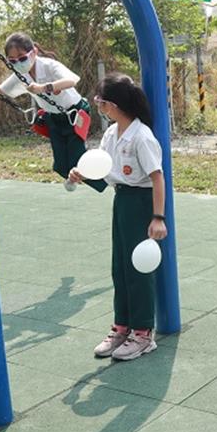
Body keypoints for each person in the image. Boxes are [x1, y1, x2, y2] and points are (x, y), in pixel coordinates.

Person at [68, 73, 167, 361]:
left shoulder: (142, 136)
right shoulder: (112, 133)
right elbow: (103, 169)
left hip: (141, 202)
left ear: (112, 105)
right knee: (120, 267)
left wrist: (158, 217)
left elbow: (157, 178)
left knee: (139, 269)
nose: (98, 106)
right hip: (121, 200)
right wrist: (81, 174)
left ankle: (143, 333)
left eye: (100, 101)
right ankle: (121, 327)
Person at [0, 32, 100, 190]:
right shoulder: (20, 74)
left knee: (77, 161)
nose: (18, 63)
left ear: (34, 52)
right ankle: (78, 176)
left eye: (22, 58)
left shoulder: (49, 66)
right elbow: (0, 90)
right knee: (60, 166)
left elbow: (72, 80)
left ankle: (107, 177)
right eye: (12, 61)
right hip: (53, 118)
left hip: (75, 113)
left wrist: (44, 87)